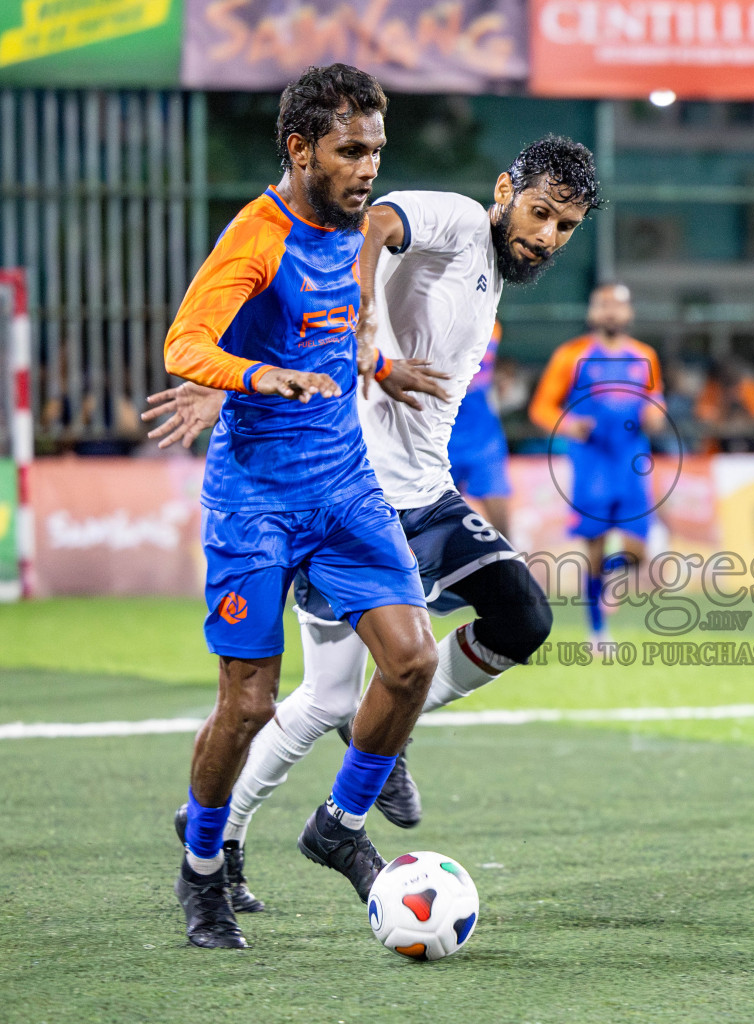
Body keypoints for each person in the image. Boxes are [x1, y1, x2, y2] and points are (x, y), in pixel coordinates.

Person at [146, 134, 598, 915]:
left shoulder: (491, 267)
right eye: (540, 213)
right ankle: (226, 830)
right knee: (319, 699)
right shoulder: (459, 221)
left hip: (426, 493)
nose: (548, 235)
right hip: (353, 495)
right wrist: (359, 329)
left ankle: (378, 746)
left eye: (566, 226)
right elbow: (379, 222)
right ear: (504, 191)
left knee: (520, 615)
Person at [160, 64, 452, 949]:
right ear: (299, 149)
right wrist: (252, 377)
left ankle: (339, 824)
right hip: (253, 504)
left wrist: (379, 366)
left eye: (376, 151)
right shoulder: (256, 235)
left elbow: (329, 327)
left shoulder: (356, 229)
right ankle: (202, 869)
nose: (368, 168)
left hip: (346, 490)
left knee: (411, 663)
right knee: (248, 706)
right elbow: (185, 343)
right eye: (350, 151)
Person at [529, 283, 664, 644]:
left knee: (638, 550)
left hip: (632, 461)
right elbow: (541, 408)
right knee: (594, 546)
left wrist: (655, 414)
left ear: (629, 313)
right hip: (592, 463)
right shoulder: (571, 356)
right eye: (603, 305)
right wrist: (570, 424)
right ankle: (597, 632)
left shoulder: (645, 357)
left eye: (617, 306)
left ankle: (613, 577)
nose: (611, 312)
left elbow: (656, 400)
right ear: (592, 313)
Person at [447, 320, 514, 537]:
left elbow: (492, 366)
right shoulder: (436, 315)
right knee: (437, 522)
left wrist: (499, 380)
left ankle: (509, 568)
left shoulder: (493, 325)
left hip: (484, 438)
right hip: (442, 436)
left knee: (502, 530)